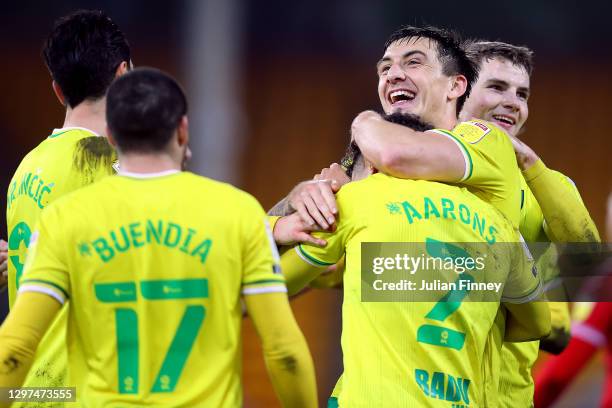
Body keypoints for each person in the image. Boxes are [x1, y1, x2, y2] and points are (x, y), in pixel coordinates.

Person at [0, 67, 317, 407]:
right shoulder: (238, 212)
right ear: (182, 131)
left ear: (110, 136)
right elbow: (283, 351)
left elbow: (15, 349)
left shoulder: (64, 220)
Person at [280, 140, 550, 407]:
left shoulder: (356, 199)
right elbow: (540, 325)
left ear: (373, 166)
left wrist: (292, 212)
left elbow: (271, 282)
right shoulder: (500, 224)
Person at [459, 40, 601, 407]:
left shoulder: (550, 185)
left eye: (522, 94)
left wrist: (527, 162)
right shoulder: (418, 167)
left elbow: (586, 261)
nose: (513, 102)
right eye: (496, 87)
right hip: (423, 388)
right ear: (456, 90)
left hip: (507, 397)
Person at [5, 10, 130, 393]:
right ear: (124, 74)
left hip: (30, 389)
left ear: (58, 89)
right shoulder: (104, 163)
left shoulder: (27, 167)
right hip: (83, 391)